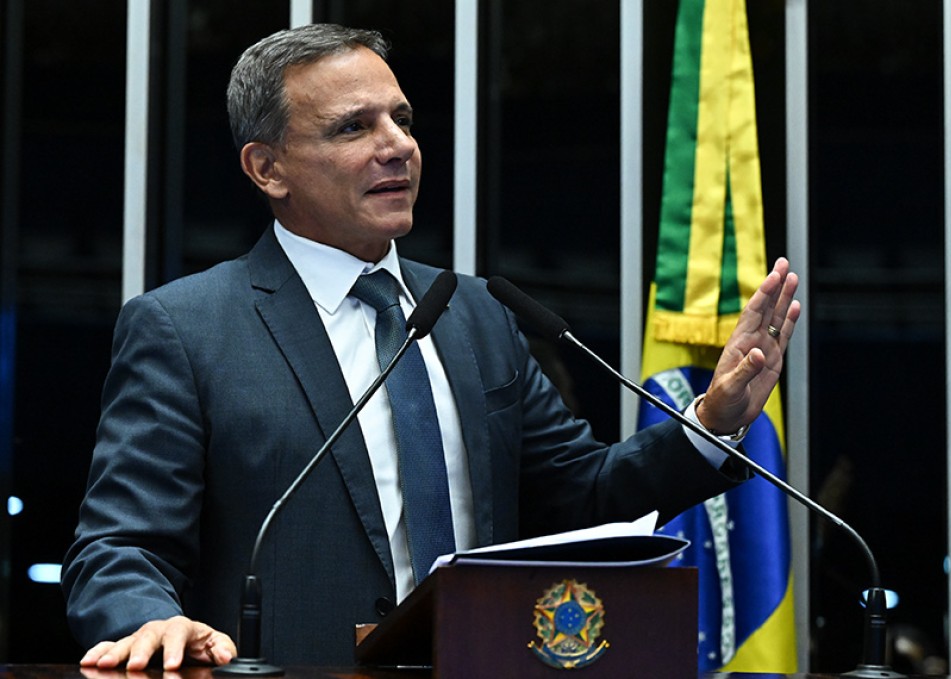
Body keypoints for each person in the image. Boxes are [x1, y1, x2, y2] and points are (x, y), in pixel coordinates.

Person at [61, 24, 800, 670]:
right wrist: (146, 620)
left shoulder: (475, 314)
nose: (398, 146)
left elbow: (583, 494)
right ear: (267, 168)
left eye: (403, 119)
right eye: (354, 128)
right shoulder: (187, 328)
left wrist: (713, 421)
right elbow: (121, 545)